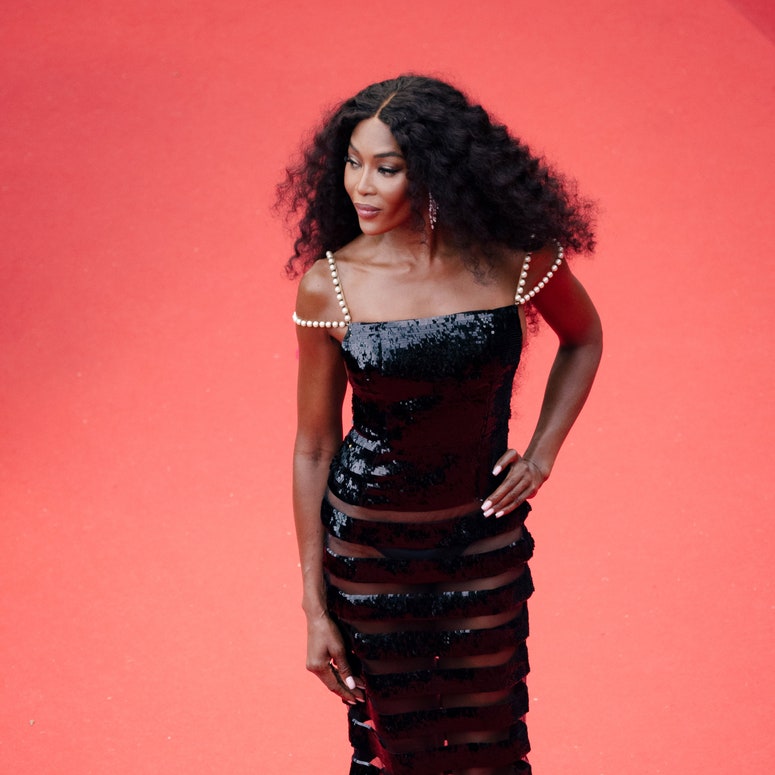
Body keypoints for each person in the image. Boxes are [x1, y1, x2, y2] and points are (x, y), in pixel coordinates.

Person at [277, 74, 602, 775]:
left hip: (482, 536)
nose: (361, 186)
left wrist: (542, 454)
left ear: (438, 174)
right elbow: (312, 446)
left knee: (490, 740)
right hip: (367, 550)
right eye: (353, 162)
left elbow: (584, 338)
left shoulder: (519, 262)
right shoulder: (329, 284)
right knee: (403, 748)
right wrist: (312, 605)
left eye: (386, 169)